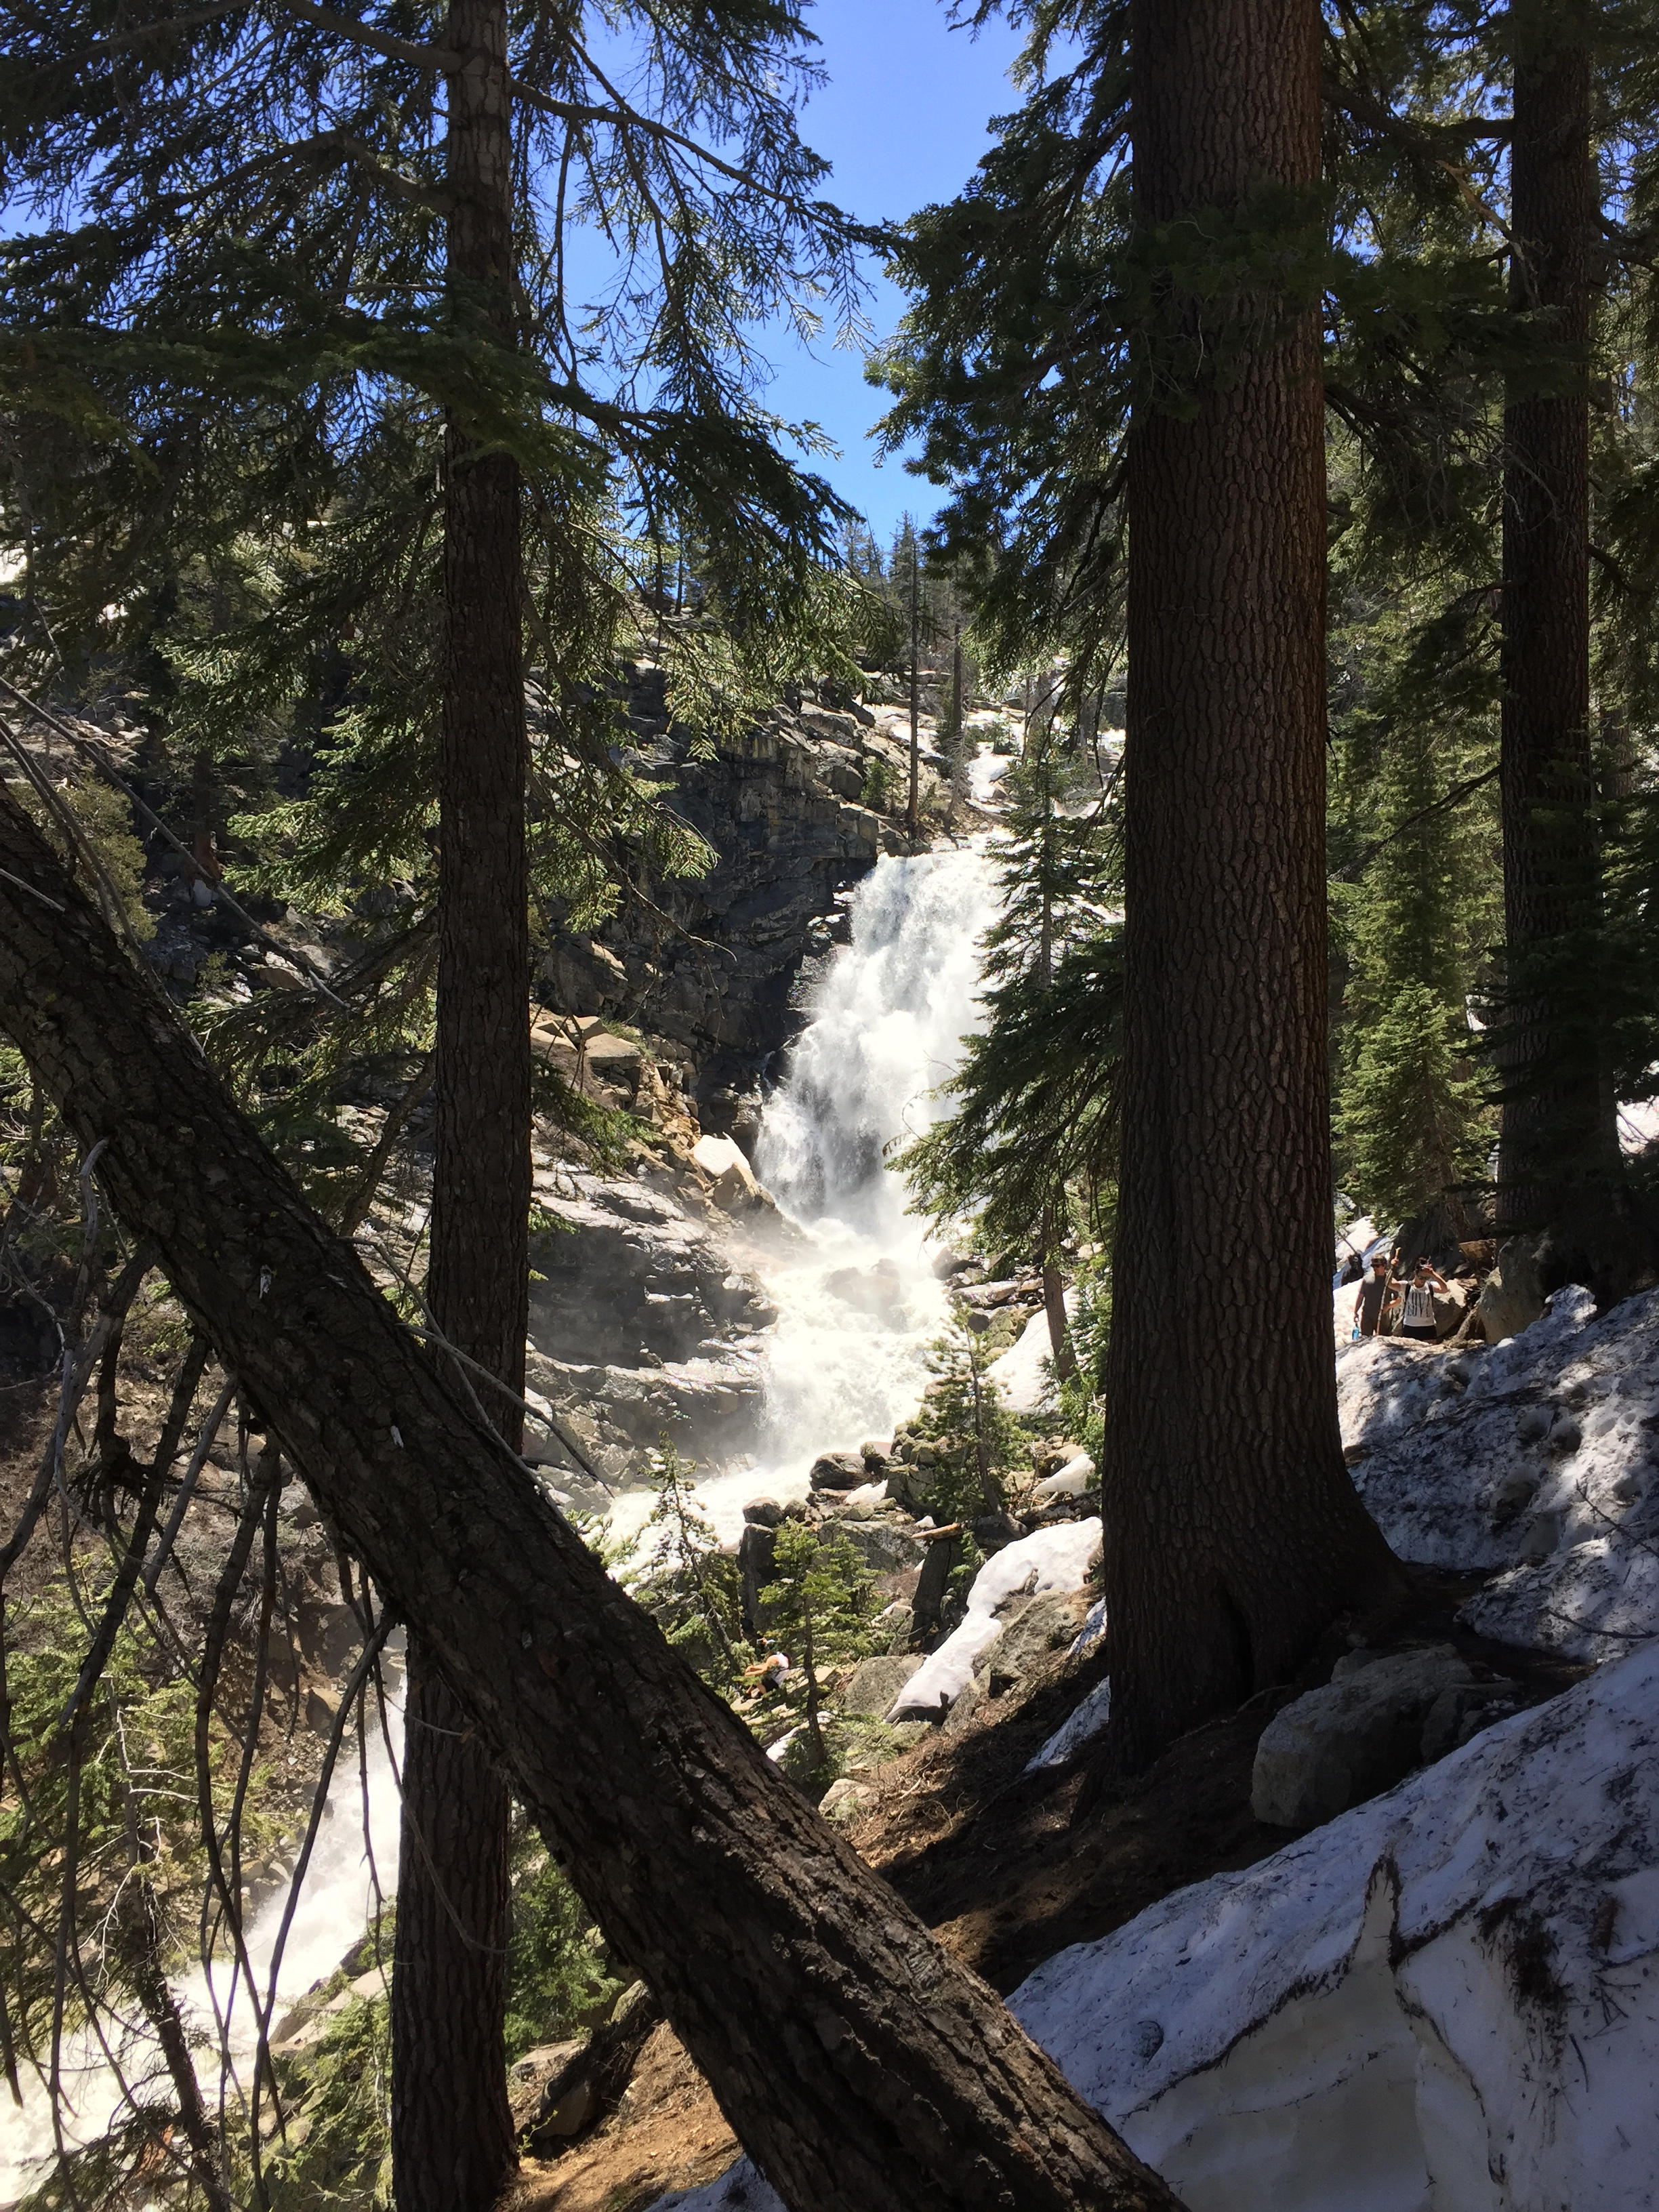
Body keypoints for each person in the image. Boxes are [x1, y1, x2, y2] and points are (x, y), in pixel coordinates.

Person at [1398, 1256, 1448, 1344]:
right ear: (1416, 1274)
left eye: (1426, 1278)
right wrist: (1392, 1266)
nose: (1423, 1280)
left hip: (1428, 1326)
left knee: (1430, 1354)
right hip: (1410, 1327)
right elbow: (1389, 1284)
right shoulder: (1407, 1286)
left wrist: (1433, 1274)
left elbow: (1445, 1289)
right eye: (1421, 1277)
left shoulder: (1430, 1286)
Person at [1353, 1251, 1391, 1338]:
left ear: (1384, 1265)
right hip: (1367, 1316)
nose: (1375, 1268)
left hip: (1383, 1318)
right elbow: (1361, 1296)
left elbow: (1399, 1298)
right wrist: (1356, 1311)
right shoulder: (1367, 1280)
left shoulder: (1389, 1281)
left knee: (1382, 1342)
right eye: (1373, 1266)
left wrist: (1388, 1307)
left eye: (1377, 1266)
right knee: (1365, 1341)